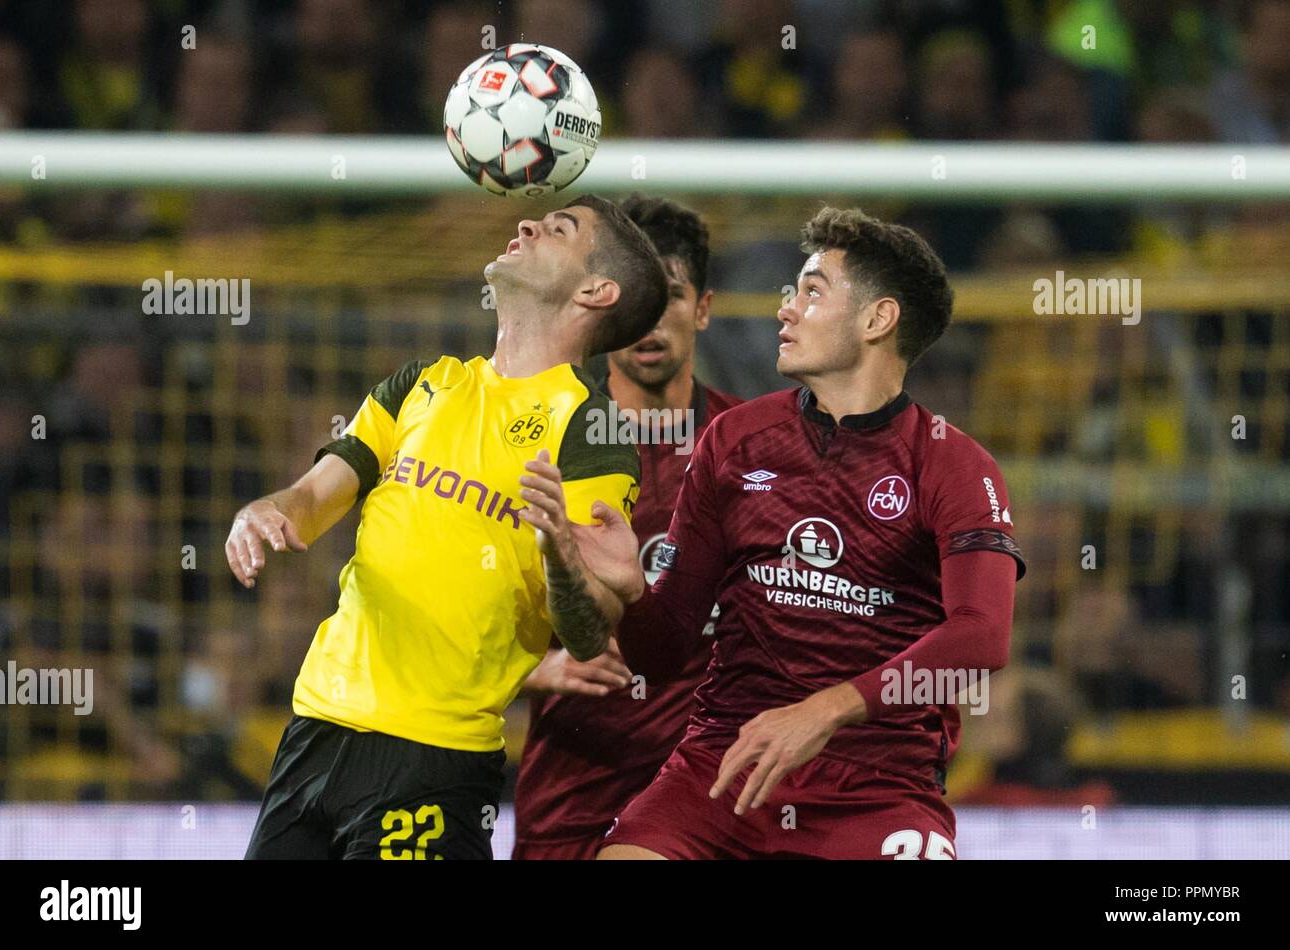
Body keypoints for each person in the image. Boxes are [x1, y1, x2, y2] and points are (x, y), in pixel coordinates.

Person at [530, 206, 1025, 860]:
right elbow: (663, 647)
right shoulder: (735, 441)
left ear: (879, 319)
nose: (784, 310)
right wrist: (631, 593)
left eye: (812, 292)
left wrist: (824, 711)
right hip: (722, 768)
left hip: (877, 786)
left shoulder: (954, 465)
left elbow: (980, 637)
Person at [231, 194, 668, 860]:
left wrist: (557, 549)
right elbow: (316, 494)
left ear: (596, 289)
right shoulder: (421, 384)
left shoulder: (588, 431)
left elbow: (586, 632)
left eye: (559, 229)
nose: (526, 224)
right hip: (313, 731)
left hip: (432, 760)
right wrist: (267, 509)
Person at [513, 195, 741, 860]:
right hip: (573, 788)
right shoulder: (545, 438)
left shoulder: (753, 450)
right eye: (635, 298)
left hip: (708, 795)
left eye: (669, 295)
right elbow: (465, 596)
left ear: (702, 308)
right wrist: (531, 668)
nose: (651, 319)